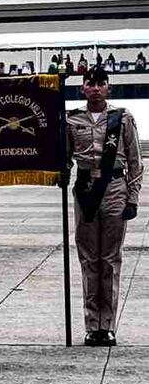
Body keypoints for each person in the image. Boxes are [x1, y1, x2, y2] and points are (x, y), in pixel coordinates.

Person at [65, 68, 142, 346]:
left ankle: (106, 325)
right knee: (89, 259)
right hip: (85, 189)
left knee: (110, 259)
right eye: (90, 83)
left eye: (101, 83)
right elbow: (64, 158)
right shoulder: (72, 119)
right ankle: (91, 323)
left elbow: (135, 161)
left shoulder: (121, 118)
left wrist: (133, 198)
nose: (96, 88)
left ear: (108, 88)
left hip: (114, 188)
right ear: (83, 88)